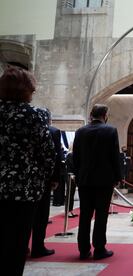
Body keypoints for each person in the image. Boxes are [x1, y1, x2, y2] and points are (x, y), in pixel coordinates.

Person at [0, 66, 55, 275]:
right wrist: (45, 178)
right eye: (31, 90)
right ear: (23, 90)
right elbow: (47, 153)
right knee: (16, 243)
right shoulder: (31, 115)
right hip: (22, 191)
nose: (33, 94)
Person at [73, 104, 122, 260]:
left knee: (85, 216)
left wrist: (78, 176)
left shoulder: (80, 131)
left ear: (91, 115)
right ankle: (99, 249)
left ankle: (83, 249)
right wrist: (118, 177)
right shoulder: (111, 131)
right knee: (101, 216)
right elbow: (115, 156)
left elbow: (76, 157)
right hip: (104, 181)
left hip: (85, 180)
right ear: (105, 115)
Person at [30, 108, 62, 258]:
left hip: (18, 180)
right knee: (41, 215)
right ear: (49, 119)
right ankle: (38, 246)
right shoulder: (53, 131)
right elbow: (54, 156)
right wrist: (55, 178)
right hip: (41, 179)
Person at [65, 143, 78, 218]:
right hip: (70, 176)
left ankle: (70, 210)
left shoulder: (72, 154)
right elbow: (72, 166)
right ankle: (68, 211)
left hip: (72, 176)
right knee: (70, 194)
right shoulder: (70, 155)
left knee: (71, 194)